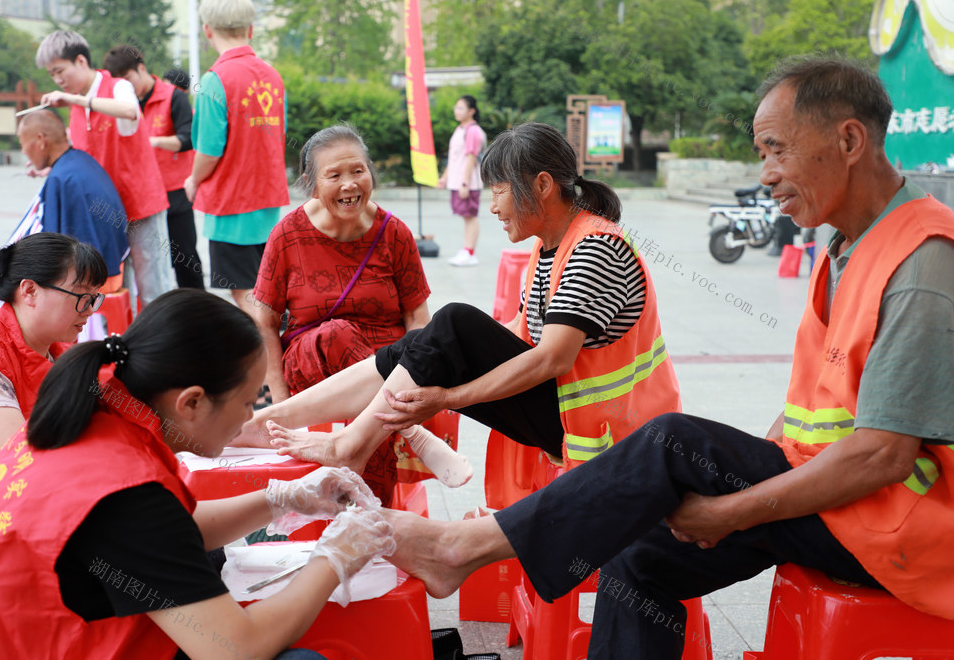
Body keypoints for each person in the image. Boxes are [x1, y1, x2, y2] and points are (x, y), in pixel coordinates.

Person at [380, 57, 954, 659]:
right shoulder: (845, 247)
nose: (766, 174)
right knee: (639, 555)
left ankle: (462, 548)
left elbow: (882, 457)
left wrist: (732, 508)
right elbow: (811, 407)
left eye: (776, 150)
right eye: (761, 154)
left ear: (849, 139)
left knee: (671, 441)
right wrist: (734, 477)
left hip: (900, 525)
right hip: (836, 500)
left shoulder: (919, 260)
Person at [0, 289, 395, 659]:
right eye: (247, 403)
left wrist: (284, 496)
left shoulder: (100, 410)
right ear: (192, 402)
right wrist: (334, 559)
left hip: (6, 631)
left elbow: (168, 533)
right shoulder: (126, 490)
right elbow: (237, 649)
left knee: (211, 564)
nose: (249, 418)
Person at [246, 122, 681, 483]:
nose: (491, 207)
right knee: (439, 335)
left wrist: (449, 397)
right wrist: (427, 362)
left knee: (450, 324)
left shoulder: (594, 248)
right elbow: (516, 333)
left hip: (611, 430)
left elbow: (552, 359)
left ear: (542, 186)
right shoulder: (550, 245)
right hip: (569, 415)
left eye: (498, 192)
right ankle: (270, 423)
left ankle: (348, 443)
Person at [243, 124, 442, 500]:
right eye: (334, 175)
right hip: (312, 363)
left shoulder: (394, 233)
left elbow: (419, 320)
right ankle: (403, 430)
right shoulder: (288, 235)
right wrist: (284, 408)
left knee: (379, 401)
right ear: (312, 184)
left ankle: (371, 514)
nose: (350, 185)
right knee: (337, 336)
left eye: (358, 171)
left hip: (382, 370)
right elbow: (265, 324)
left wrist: (417, 382)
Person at [0, 233, 108, 504]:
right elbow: (20, 462)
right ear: (29, 291)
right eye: (82, 296)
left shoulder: (58, 351)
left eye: (95, 298)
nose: (89, 310)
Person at [36, 30, 176, 309]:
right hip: (104, 211)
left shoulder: (116, 87)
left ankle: (165, 348)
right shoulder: (75, 105)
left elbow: (129, 112)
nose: (58, 80)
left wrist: (77, 100)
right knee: (112, 287)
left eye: (60, 70)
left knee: (153, 286)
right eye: (52, 75)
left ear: (80, 61)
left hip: (140, 203)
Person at [0, 112, 128, 324]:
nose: (24, 152)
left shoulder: (61, 179)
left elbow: (51, 249)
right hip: (115, 266)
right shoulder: (80, 161)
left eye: (23, 144)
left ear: (41, 140)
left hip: (97, 280)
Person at [184, 0, 291, 314]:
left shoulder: (214, 81)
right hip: (267, 200)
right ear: (251, 29)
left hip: (232, 202)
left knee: (245, 291)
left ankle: (276, 359)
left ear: (207, 30)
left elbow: (209, 149)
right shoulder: (273, 77)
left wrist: (192, 180)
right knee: (265, 285)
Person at [105, 44, 205, 289]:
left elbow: (187, 139)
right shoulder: (121, 102)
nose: (125, 88)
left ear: (142, 68)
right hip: (139, 195)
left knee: (185, 260)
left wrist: (153, 141)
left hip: (174, 194)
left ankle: (197, 315)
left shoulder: (173, 97)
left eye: (128, 79)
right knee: (143, 263)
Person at [439, 95, 487, 267]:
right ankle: (466, 250)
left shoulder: (473, 131)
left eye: (461, 108)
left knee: (470, 216)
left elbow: (471, 158)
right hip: (457, 181)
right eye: (456, 107)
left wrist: (465, 183)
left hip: (468, 183)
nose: (456, 111)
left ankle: (469, 252)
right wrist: (444, 178)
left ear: (471, 111)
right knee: (465, 216)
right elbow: (454, 159)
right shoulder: (459, 129)